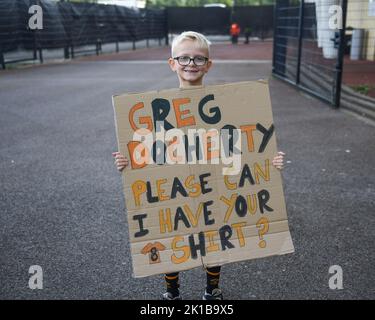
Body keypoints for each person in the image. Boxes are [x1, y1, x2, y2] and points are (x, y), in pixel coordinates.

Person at [112, 31, 285, 300]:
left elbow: (241, 143)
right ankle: (172, 292)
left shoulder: (225, 105)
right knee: (173, 232)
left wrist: (268, 160)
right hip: (174, 185)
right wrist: (128, 163)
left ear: (208, 64)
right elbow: (146, 152)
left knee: (214, 235)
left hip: (212, 181)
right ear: (172, 63)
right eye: (183, 58)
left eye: (198, 59)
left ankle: (212, 289)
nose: (190, 63)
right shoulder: (157, 108)